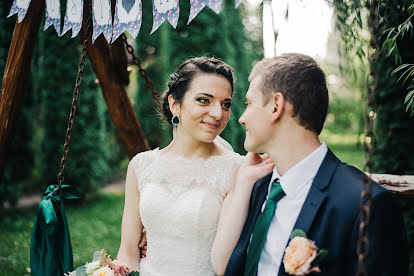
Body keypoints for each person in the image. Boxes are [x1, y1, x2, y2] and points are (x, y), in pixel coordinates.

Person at [217, 53, 409, 275]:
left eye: (249, 103)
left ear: (276, 106)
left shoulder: (365, 205)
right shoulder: (259, 186)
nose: (242, 118)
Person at [116, 57, 272, 275]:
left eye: (225, 104)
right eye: (204, 100)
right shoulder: (141, 166)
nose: (218, 114)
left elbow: (234, 257)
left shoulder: (238, 169)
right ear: (174, 104)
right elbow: (128, 252)